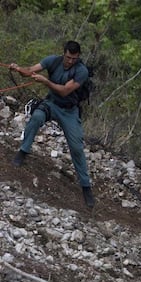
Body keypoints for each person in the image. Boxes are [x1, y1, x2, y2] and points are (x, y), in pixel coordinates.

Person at [9, 40, 95, 208]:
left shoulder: (81, 71)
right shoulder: (52, 60)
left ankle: (86, 186)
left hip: (69, 111)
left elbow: (64, 90)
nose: (70, 61)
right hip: (52, 104)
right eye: (68, 57)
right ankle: (23, 151)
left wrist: (45, 82)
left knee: (76, 147)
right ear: (64, 53)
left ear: (78, 57)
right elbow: (30, 71)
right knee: (36, 117)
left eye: (74, 58)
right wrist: (18, 69)